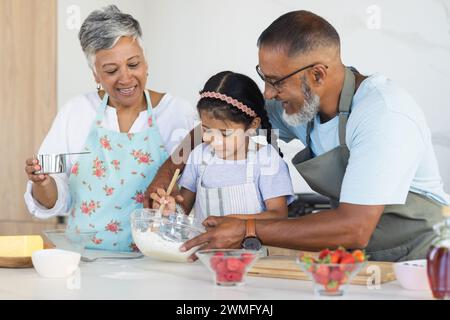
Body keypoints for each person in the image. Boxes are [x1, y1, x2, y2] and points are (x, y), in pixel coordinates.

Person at [148, 10, 450, 262]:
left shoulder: (383, 115)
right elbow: (209, 127)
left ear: (317, 74)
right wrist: (164, 180)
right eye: (264, 78)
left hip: (421, 262)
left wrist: (247, 229)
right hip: (360, 260)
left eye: (275, 81)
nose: (267, 93)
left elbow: (354, 228)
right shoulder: (298, 107)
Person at [23, 5, 197, 252]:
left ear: (146, 61)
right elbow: (53, 196)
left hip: (156, 263)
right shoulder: (76, 113)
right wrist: (42, 182)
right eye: (111, 71)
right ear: (95, 74)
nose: (126, 78)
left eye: (133, 64)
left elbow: (190, 195)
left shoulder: (178, 113)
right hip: (86, 261)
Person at [150, 71, 294, 232]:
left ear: (252, 125)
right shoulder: (199, 156)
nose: (215, 140)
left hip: (252, 254)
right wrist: (172, 209)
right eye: (206, 130)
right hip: (203, 254)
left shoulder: (266, 159)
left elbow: (278, 215)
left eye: (225, 133)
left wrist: (229, 221)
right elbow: (184, 208)